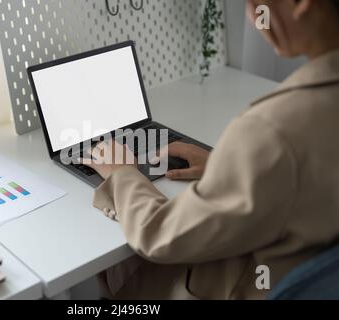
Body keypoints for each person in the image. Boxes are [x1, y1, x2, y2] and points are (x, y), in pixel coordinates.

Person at [83, 0, 339, 299]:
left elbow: (159, 235)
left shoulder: (273, 129)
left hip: (242, 286)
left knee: (107, 264)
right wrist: (232, 167)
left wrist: (123, 173)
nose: (254, 17)